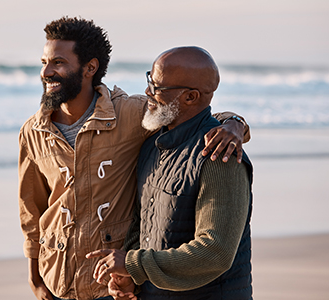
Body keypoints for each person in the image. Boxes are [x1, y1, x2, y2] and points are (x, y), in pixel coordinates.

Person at [19, 17, 250, 300]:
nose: (47, 71)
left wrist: (234, 124)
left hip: (109, 286)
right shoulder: (33, 131)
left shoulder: (133, 116)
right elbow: (32, 209)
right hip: (59, 281)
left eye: (58, 62)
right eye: (44, 62)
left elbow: (196, 115)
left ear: (90, 67)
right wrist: (35, 278)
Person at [86, 46, 253, 300]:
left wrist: (133, 264)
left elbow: (215, 252)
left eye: (157, 88)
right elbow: (141, 227)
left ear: (191, 97)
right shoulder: (152, 146)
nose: (147, 92)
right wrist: (130, 279)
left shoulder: (220, 157)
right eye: (149, 81)